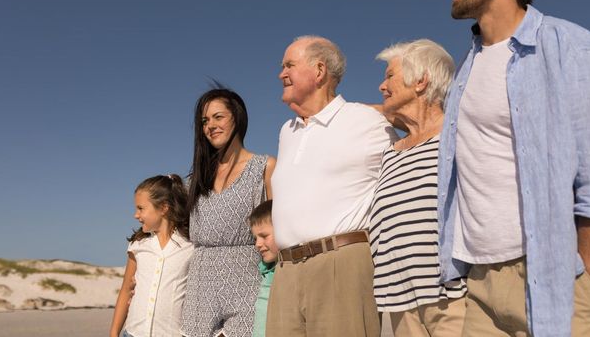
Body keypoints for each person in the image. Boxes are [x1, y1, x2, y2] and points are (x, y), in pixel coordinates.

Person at [437, 0, 590, 336]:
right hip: (479, 287)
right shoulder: (465, 71)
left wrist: (588, 282)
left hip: (556, 280)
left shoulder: (573, 50)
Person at [267, 35, 396, 337]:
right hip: (285, 272)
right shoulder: (287, 131)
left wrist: (387, 112)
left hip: (342, 265)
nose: (280, 74)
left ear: (319, 71)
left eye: (289, 65)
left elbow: (425, 122)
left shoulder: (367, 120)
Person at [370, 39, 466, 336]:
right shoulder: (392, 150)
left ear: (421, 81)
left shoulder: (457, 136)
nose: (381, 86)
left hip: (450, 298)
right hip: (397, 302)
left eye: (389, 76)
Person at [181, 87, 276, 337]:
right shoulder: (194, 180)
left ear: (237, 118)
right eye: (205, 121)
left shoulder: (265, 167)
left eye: (218, 117)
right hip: (200, 285)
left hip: (248, 281)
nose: (210, 125)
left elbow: (279, 230)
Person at [110, 174, 194, 337]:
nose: (136, 215)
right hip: (133, 333)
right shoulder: (138, 245)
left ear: (163, 208)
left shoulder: (190, 246)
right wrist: (114, 333)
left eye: (141, 208)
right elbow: (126, 289)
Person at [249, 200, 278, 337]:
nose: (258, 244)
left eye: (264, 236)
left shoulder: (287, 273)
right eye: (255, 238)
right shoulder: (265, 271)